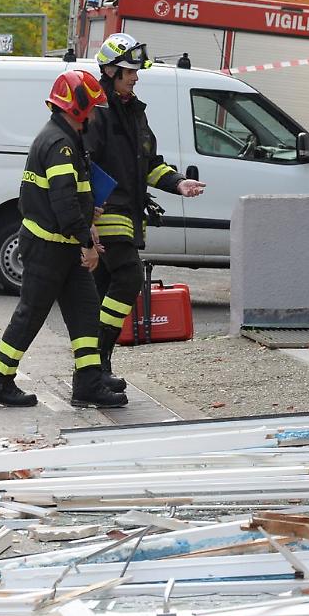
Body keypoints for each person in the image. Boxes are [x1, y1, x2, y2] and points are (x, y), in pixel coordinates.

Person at [0, 70, 127, 410]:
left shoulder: (63, 138)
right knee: (30, 315)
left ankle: (88, 384)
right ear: (76, 108)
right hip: (49, 247)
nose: (93, 115)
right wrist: (87, 245)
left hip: (61, 245)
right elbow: (63, 205)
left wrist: (87, 224)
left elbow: (71, 196)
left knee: (86, 313)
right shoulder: (60, 144)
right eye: (90, 108)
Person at [86, 33, 205, 391]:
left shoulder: (135, 112)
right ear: (109, 71)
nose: (136, 77)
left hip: (128, 209)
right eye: (129, 72)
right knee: (128, 277)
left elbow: (149, 164)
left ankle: (94, 369)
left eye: (137, 71)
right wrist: (87, 215)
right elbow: (86, 163)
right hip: (107, 212)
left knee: (103, 288)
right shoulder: (100, 113)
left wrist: (178, 183)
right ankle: (101, 357)